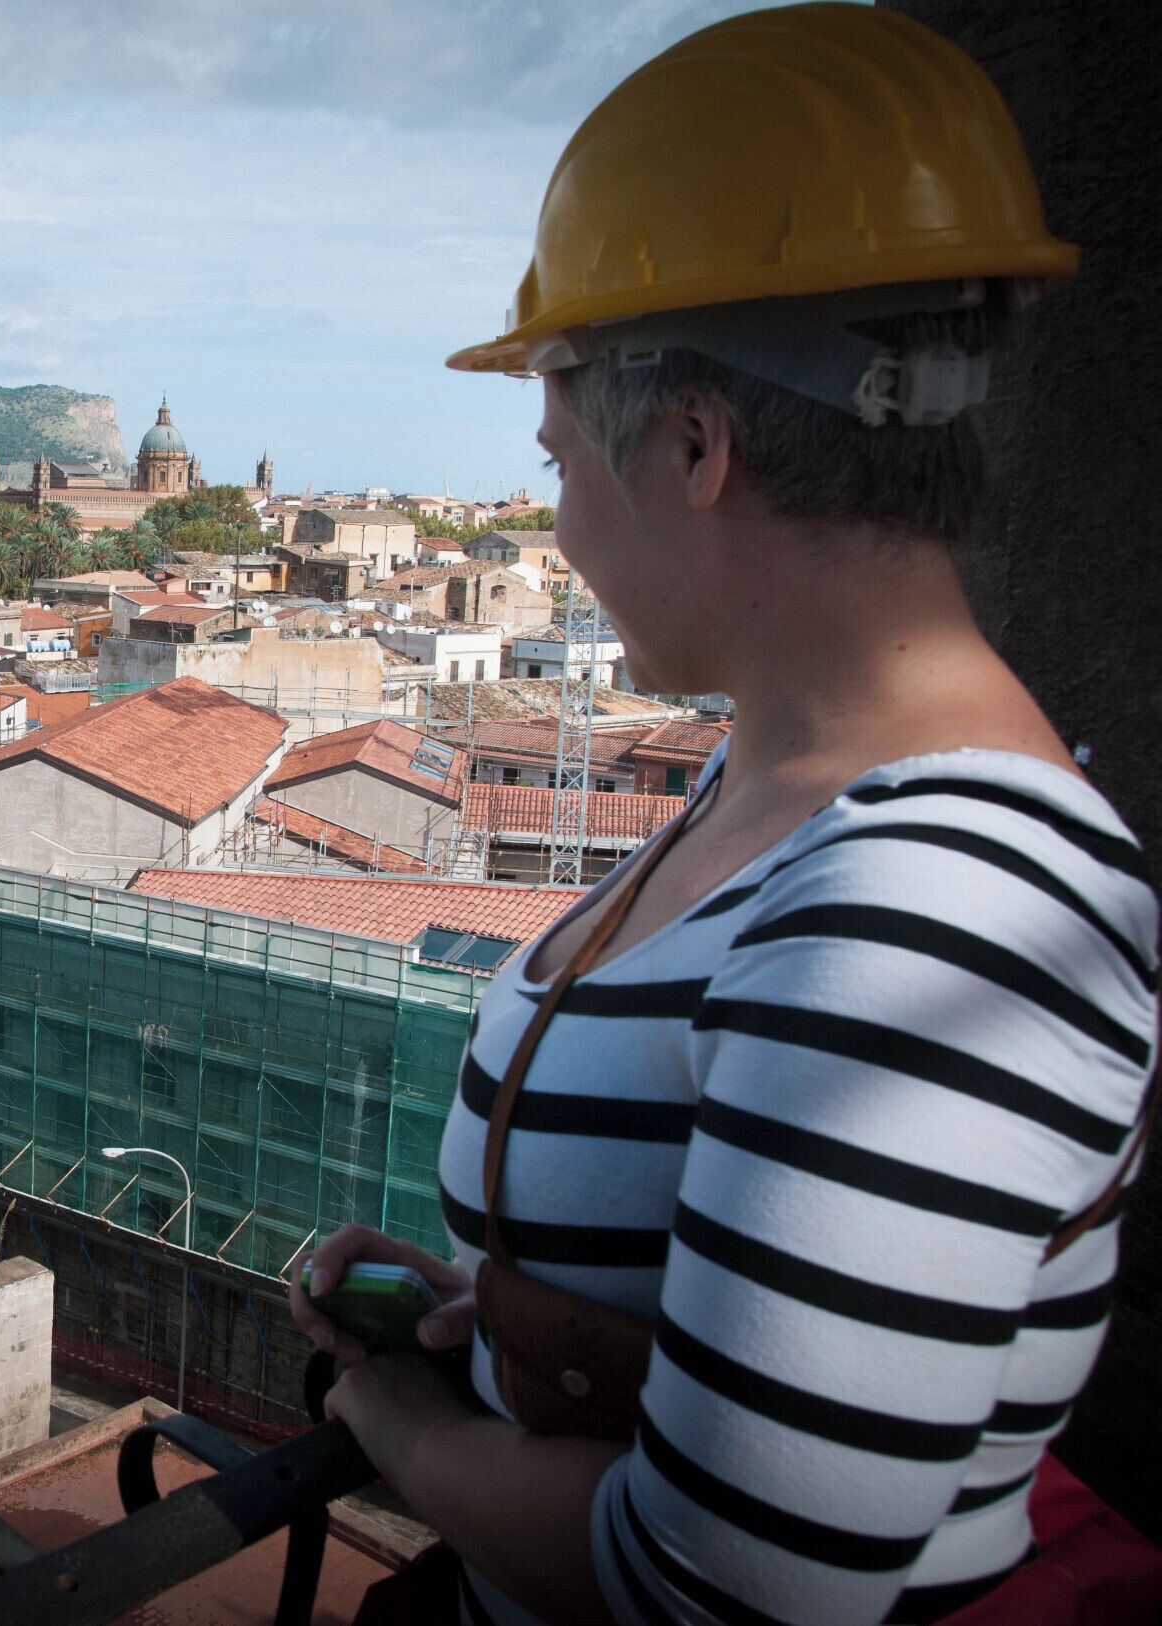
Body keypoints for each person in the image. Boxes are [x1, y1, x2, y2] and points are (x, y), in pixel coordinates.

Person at [289, 8, 1154, 1624]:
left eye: (558, 460)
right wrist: (503, 1311)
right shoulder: (772, 775)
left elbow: (716, 1589)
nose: (554, 525)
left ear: (694, 445)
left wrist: (393, 1419)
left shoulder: (941, 913)